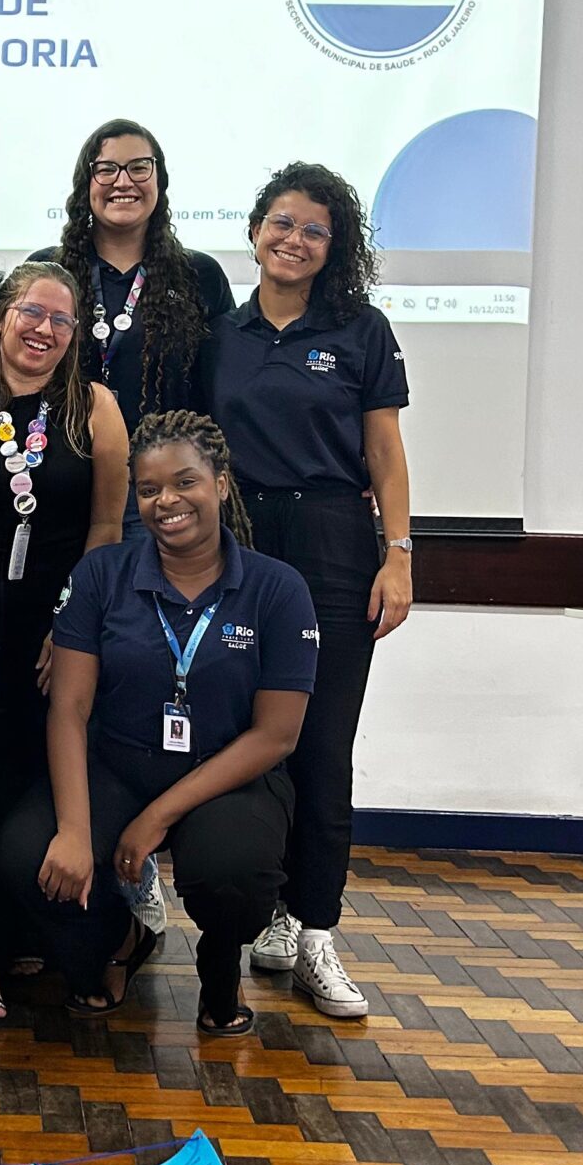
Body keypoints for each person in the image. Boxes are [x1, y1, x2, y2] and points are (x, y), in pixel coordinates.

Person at [0, 411, 315, 1035]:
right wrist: (72, 829)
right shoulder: (101, 575)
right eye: (148, 490)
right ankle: (118, 938)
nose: (167, 501)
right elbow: (69, 708)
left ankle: (219, 966)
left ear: (221, 484)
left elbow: (276, 735)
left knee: (234, 875)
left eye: (186, 482)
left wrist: (156, 817)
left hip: (227, 777)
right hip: (117, 762)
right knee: (26, 859)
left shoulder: (279, 590)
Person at [202, 160, 413, 1020]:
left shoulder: (360, 331)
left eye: (314, 231)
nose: (293, 240)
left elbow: (385, 455)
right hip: (236, 541)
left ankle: (313, 924)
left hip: (331, 543)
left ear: (335, 249)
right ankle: (262, 906)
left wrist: (397, 554)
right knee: (246, 733)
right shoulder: (222, 334)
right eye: (281, 223)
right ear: (255, 231)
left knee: (323, 742)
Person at [0, 261, 130, 1025]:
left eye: (61, 321)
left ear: (75, 336)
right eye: (31, 313)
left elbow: (107, 531)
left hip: (62, 633)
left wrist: (72, 627)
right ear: (3, 315)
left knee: (37, 788)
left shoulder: (95, 410)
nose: (43, 330)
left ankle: (41, 935)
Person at [31, 118, 235, 447]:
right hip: (65, 470)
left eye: (139, 168)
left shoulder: (200, 274)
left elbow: (222, 386)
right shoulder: (48, 271)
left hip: (166, 477)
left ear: (160, 181)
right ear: (87, 183)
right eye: (107, 169)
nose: (123, 182)